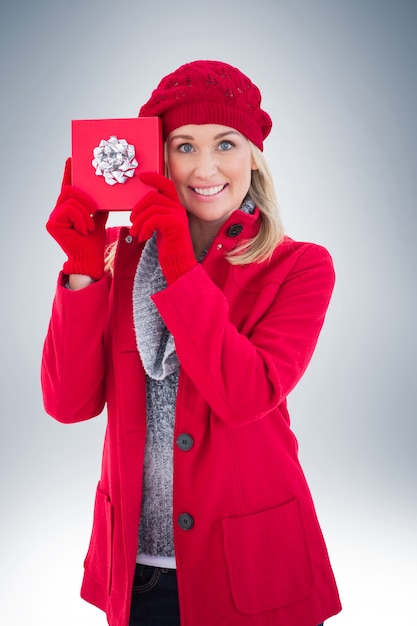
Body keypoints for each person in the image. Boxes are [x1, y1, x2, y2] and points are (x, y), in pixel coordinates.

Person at [41, 60, 342, 626]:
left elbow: (246, 396)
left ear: (253, 155)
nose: (205, 167)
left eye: (225, 143)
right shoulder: (119, 258)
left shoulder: (300, 266)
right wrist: (83, 269)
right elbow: (68, 403)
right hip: (137, 572)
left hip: (251, 567)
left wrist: (182, 266)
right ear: (160, 160)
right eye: (183, 146)